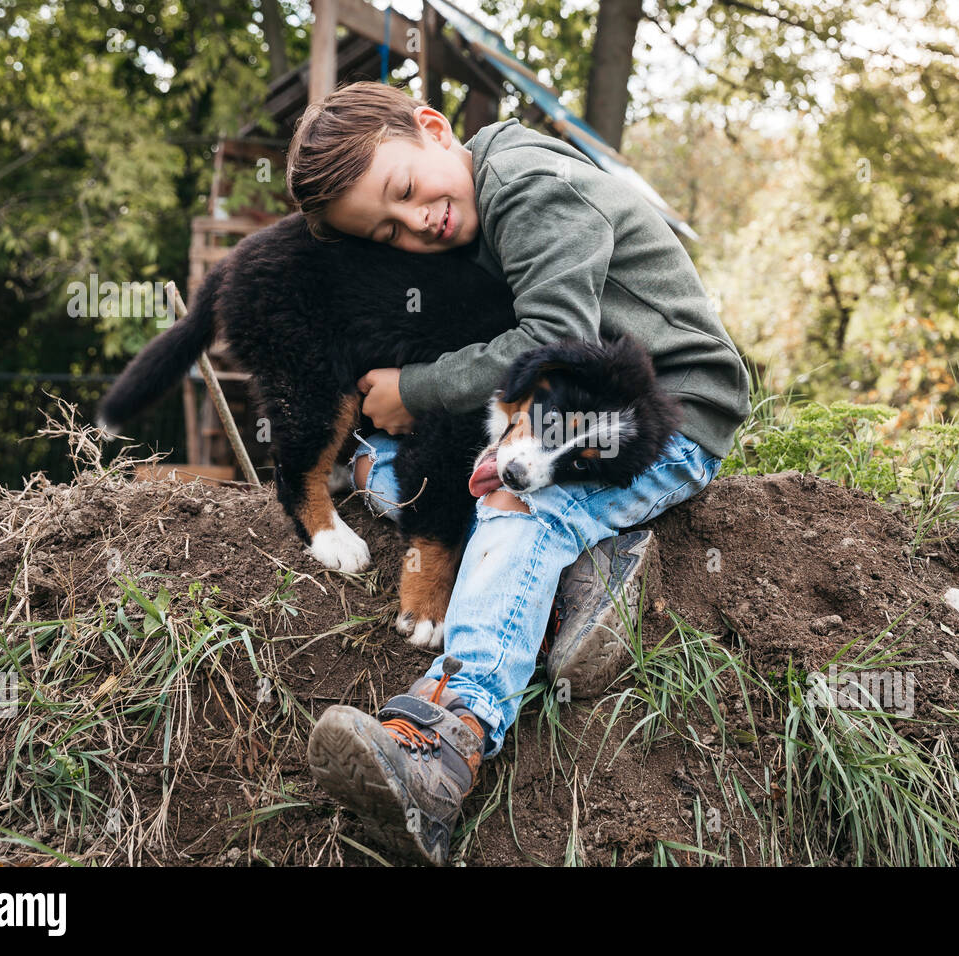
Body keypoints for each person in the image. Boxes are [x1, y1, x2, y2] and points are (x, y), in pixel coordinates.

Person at [287, 81, 750, 865]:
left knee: (515, 492)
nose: (414, 224)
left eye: (404, 192)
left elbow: (553, 337)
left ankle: (449, 743)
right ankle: (590, 575)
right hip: (567, 410)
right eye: (388, 232)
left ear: (434, 128)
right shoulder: (474, 203)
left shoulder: (530, 187)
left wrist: (416, 388)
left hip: (657, 416)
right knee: (441, 478)